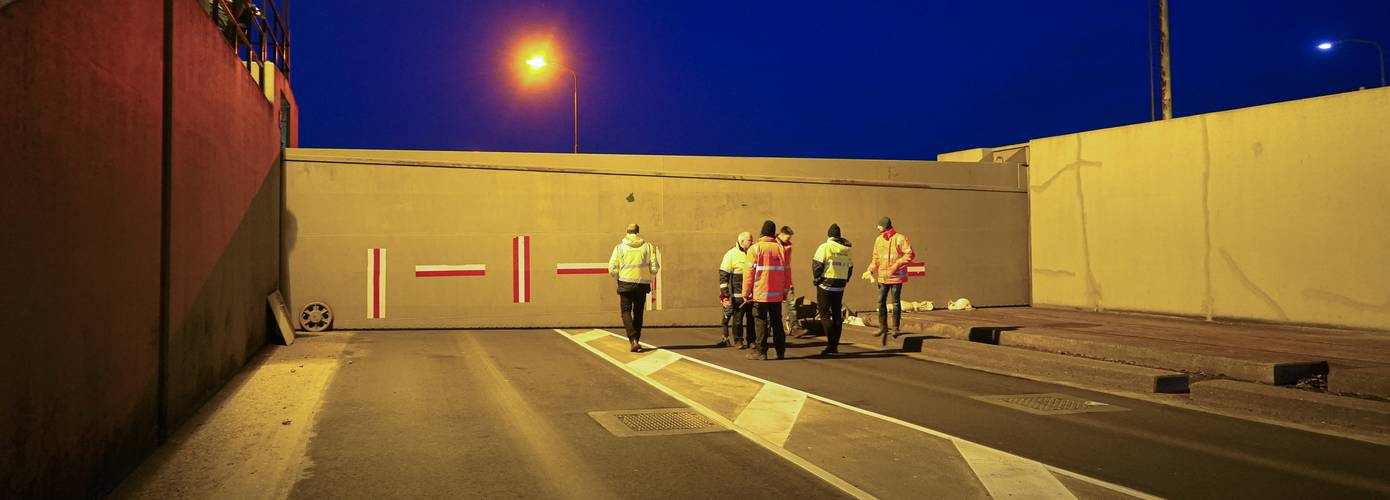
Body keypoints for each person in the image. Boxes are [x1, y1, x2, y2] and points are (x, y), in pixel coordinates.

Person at [743, 220, 791, 360]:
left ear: (762, 232)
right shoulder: (780, 249)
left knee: (761, 322)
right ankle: (780, 351)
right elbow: (787, 272)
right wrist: (785, 290)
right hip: (776, 295)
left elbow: (748, 274)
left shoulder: (755, 249)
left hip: (760, 294)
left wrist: (746, 293)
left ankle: (761, 352)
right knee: (777, 322)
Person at [609, 223, 661, 352]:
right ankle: (636, 340)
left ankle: (633, 340)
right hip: (642, 285)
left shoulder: (619, 248)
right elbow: (654, 268)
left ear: (627, 232)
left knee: (626, 312)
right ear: (638, 232)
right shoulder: (648, 247)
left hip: (625, 283)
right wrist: (649, 273)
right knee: (638, 313)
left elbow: (612, 269)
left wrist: (617, 274)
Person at [863, 216, 915, 343]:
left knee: (896, 302)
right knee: (881, 302)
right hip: (882, 277)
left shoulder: (900, 238)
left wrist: (897, 264)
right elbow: (876, 258)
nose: (877, 227)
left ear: (885, 226)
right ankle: (883, 327)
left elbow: (910, 254)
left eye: (879, 225)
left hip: (896, 277)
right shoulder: (878, 240)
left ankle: (895, 328)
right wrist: (870, 270)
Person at [812, 224, 853, 355]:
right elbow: (850, 268)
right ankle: (835, 344)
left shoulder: (824, 247)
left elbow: (817, 265)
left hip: (825, 285)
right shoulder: (846, 249)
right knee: (836, 314)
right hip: (839, 286)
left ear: (829, 235)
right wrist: (845, 280)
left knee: (824, 314)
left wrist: (817, 279)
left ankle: (831, 343)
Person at [719, 232, 755, 348]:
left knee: (752, 319)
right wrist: (725, 295)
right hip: (737, 295)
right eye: (749, 240)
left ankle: (751, 341)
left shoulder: (753, 252)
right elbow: (724, 276)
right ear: (742, 241)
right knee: (738, 319)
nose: (752, 242)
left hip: (751, 295)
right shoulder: (731, 254)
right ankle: (738, 340)